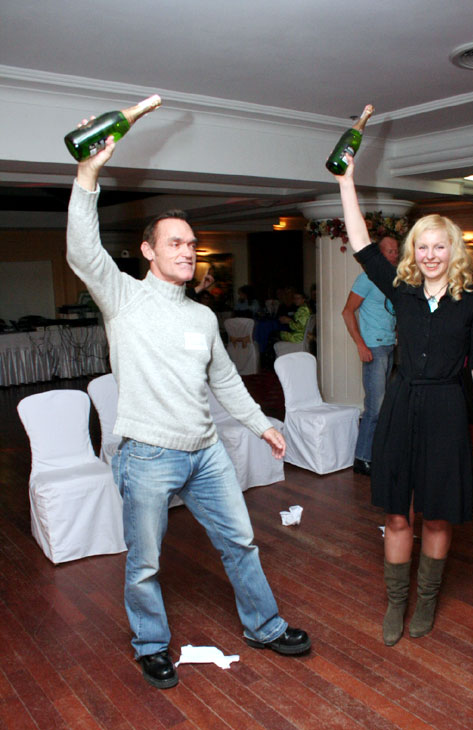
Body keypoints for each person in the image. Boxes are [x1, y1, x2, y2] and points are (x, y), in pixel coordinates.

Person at [66, 131, 311, 690]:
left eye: (191, 243)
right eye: (174, 242)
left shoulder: (202, 317)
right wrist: (87, 177)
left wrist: (262, 425)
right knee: (145, 563)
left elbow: (224, 381)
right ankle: (151, 644)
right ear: (148, 251)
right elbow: (82, 250)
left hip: (206, 453)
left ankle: (264, 626)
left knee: (241, 542)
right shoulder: (122, 298)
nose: (186, 250)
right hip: (148, 455)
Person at [335, 154, 473, 647]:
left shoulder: (472, 300)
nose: (429, 254)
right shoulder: (401, 289)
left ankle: (425, 601)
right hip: (402, 403)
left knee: (439, 512)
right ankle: (396, 601)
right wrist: (346, 182)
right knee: (397, 513)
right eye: (421, 246)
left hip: (446, 406)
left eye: (438, 246)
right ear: (413, 252)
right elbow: (361, 244)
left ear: (453, 250)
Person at [341, 235, 399, 476]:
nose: (395, 255)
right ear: (379, 254)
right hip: (374, 348)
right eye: (390, 251)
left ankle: (376, 454)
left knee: (385, 407)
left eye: (396, 251)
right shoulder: (366, 279)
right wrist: (360, 345)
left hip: (390, 346)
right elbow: (347, 312)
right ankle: (362, 458)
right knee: (374, 407)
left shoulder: (395, 279)